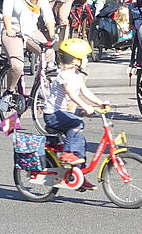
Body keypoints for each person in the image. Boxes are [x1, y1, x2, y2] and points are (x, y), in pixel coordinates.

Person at [43, 38, 109, 166]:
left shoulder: (77, 74)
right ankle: (68, 153)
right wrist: (84, 106)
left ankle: (79, 176)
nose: (87, 60)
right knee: (77, 123)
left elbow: (86, 92)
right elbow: (71, 93)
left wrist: (100, 103)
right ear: (75, 60)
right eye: (84, 57)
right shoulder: (63, 75)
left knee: (81, 143)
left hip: (64, 114)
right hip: (53, 114)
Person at [0, 0, 57, 99]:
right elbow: (6, 14)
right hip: (14, 31)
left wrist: (52, 33)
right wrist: (8, 29)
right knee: (17, 66)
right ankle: (9, 91)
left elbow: (48, 16)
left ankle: (40, 86)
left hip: (31, 32)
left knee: (49, 54)